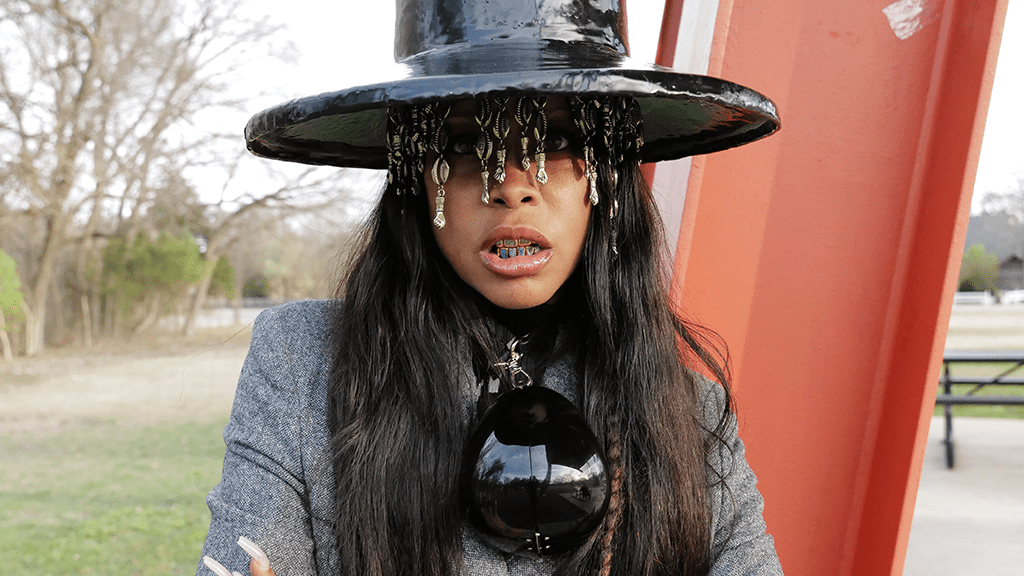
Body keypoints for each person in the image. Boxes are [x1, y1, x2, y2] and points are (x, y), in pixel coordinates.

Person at [198, 1, 783, 575]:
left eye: (555, 140)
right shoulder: (303, 362)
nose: (511, 187)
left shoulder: (689, 415)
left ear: (607, 176)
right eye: (463, 145)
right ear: (415, 179)